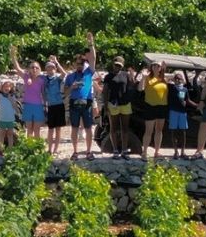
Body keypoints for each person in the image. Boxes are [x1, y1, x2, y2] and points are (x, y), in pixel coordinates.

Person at [63, 32, 99, 160]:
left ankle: (89, 151)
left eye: (81, 64)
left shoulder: (88, 72)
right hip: (74, 102)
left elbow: (93, 57)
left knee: (89, 128)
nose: (79, 66)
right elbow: (65, 93)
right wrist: (72, 87)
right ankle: (75, 152)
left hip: (87, 102)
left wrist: (91, 43)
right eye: (77, 64)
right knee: (74, 128)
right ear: (75, 64)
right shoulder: (70, 76)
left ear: (84, 64)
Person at [102, 56, 136, 158]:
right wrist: (105, 105)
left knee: (125, 128)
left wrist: (132, 76)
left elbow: (132, 86)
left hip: (125, 103)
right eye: (116, 64)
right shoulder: (108, 76)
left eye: (119, 65)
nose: (117, 67)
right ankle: (115, 150)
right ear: (113, 64)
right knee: (113, 127)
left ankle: (124, 150)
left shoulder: (126, 75)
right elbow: (105, 91)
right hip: (113, 104)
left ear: (122, 65)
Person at [12, 44, 46, 140]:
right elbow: (17, 68)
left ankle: (36, 148)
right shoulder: (26, 76)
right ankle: (29, 148)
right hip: (28, 105)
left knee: (37, 129)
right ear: (29, 69)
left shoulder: (42, 79)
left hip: (38, 106)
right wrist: (13, 54)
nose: (34, 69)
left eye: (36, 67)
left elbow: (44, 93)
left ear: (39, 69)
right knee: (29, 129)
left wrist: (45, 105)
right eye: (32, 67)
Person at [138, 61, 169, 159]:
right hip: (150, 106)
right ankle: (145, 152)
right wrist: (143, 78)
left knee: (159, 130)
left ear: (160, 68)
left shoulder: (163, 79)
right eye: (154, 65)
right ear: (151, 67)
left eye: (158, 66)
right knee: (149, 130)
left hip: (162, 106)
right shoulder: (147, 78)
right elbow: (140, 89)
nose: (156, 67)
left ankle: (157, 151)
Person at [166, 70, 196, 158]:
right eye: (176, 79)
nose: (178, 80)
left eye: (180, 79)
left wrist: (197, 105)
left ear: (183, 80)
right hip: (173, 111)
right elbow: (165, 79)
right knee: (173, 131)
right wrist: (171, 76)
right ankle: (176, 152)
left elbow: (188, 100)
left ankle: (183, 152)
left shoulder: (185, 89)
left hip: (182, 112)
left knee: (183, 132)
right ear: (174, 80)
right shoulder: (171, 88)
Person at [43, 55, 67, 156]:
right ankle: (49, 149)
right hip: (51, 106)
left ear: (55, 69)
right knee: (50, 129)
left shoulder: (57, 79)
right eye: (48, 68)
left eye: (52, 67)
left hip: (59, 105)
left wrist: (56, 61)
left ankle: (56, 149)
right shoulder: (44, 80)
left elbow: (64, 73)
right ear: (46, 69)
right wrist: (44, 104)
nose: (50, 69)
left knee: (58, 129)